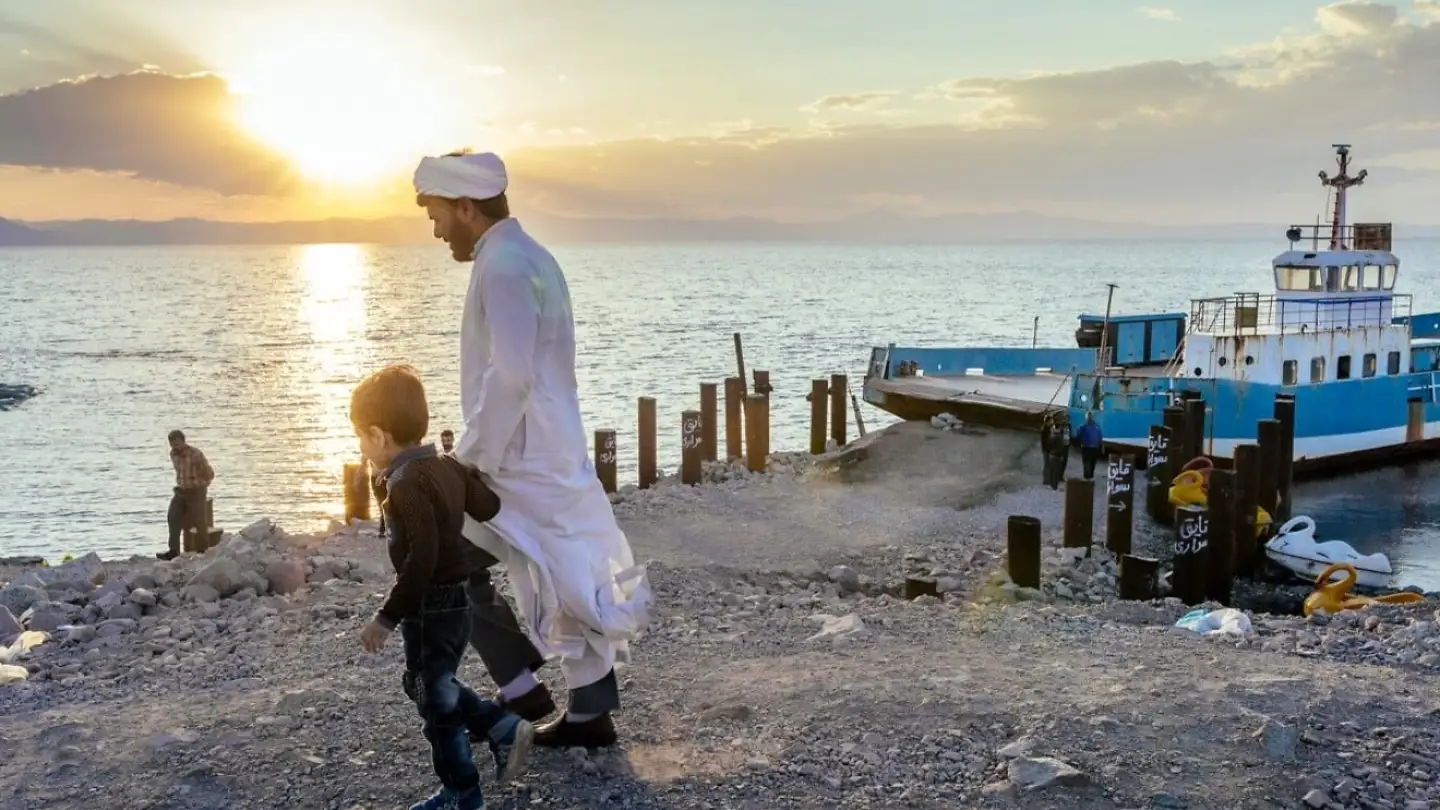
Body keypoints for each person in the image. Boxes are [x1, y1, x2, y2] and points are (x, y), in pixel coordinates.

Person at [413, 150, 653, 749]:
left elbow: (513, 374)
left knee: (449, 560)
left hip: (516, 460)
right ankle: (580, 708)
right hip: (544, 449)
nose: (436, 231)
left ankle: (527, 689)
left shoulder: (504, 266)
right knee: (566, 564)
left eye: (437, 216)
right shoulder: (529, 255)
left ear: (465, 207)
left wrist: (469, 461)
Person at [351, 364, 534, 810]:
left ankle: (462, 790)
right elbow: (488, 506)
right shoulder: (445, 466)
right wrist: (466, 476)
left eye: (360, 437)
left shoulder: (407, 484)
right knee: (428, 684)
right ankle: (500, 727)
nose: (359, 447)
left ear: (379, 435)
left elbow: (423, 558)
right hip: (459, 600)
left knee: (433, 696)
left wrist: (387, 616)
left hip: (430, 605)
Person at [159, 430, 213, 561]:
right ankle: (173, 551)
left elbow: (209, 473)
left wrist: (201, 486)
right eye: (172, 445)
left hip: (196, 491)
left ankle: (203, 551)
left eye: (177, 444)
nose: (175, 447)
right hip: (181, 491)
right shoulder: (173, 454)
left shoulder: (196, 454)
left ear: (183, 441)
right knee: (172, 517)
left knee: (199, 521)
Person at [1039, 413, 1070, 490]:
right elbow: (1045, 441)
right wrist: (1047, 449)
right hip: (1047, 450)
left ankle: (1051, 480)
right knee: (1048, 465)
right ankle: (1047, 480)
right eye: (1051, 421)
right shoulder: (1045, 429)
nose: (1052, 422)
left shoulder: (1051, 428)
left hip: (1053, 449)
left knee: (1051, 465)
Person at [1076, 411, 1104, 480]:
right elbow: (1078, 436)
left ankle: (1090, 477)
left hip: (1095, 448)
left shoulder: (1097, 426)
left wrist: (1102, 447)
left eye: (1090, 416)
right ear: (1085, 418)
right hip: (1086, 448)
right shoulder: (1083, 427)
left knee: (1093, 464)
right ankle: (1086, 478)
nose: (1089, 418)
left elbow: (1100, 437)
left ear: (1092, 417)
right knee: (1087, 464)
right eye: (1088, 417)